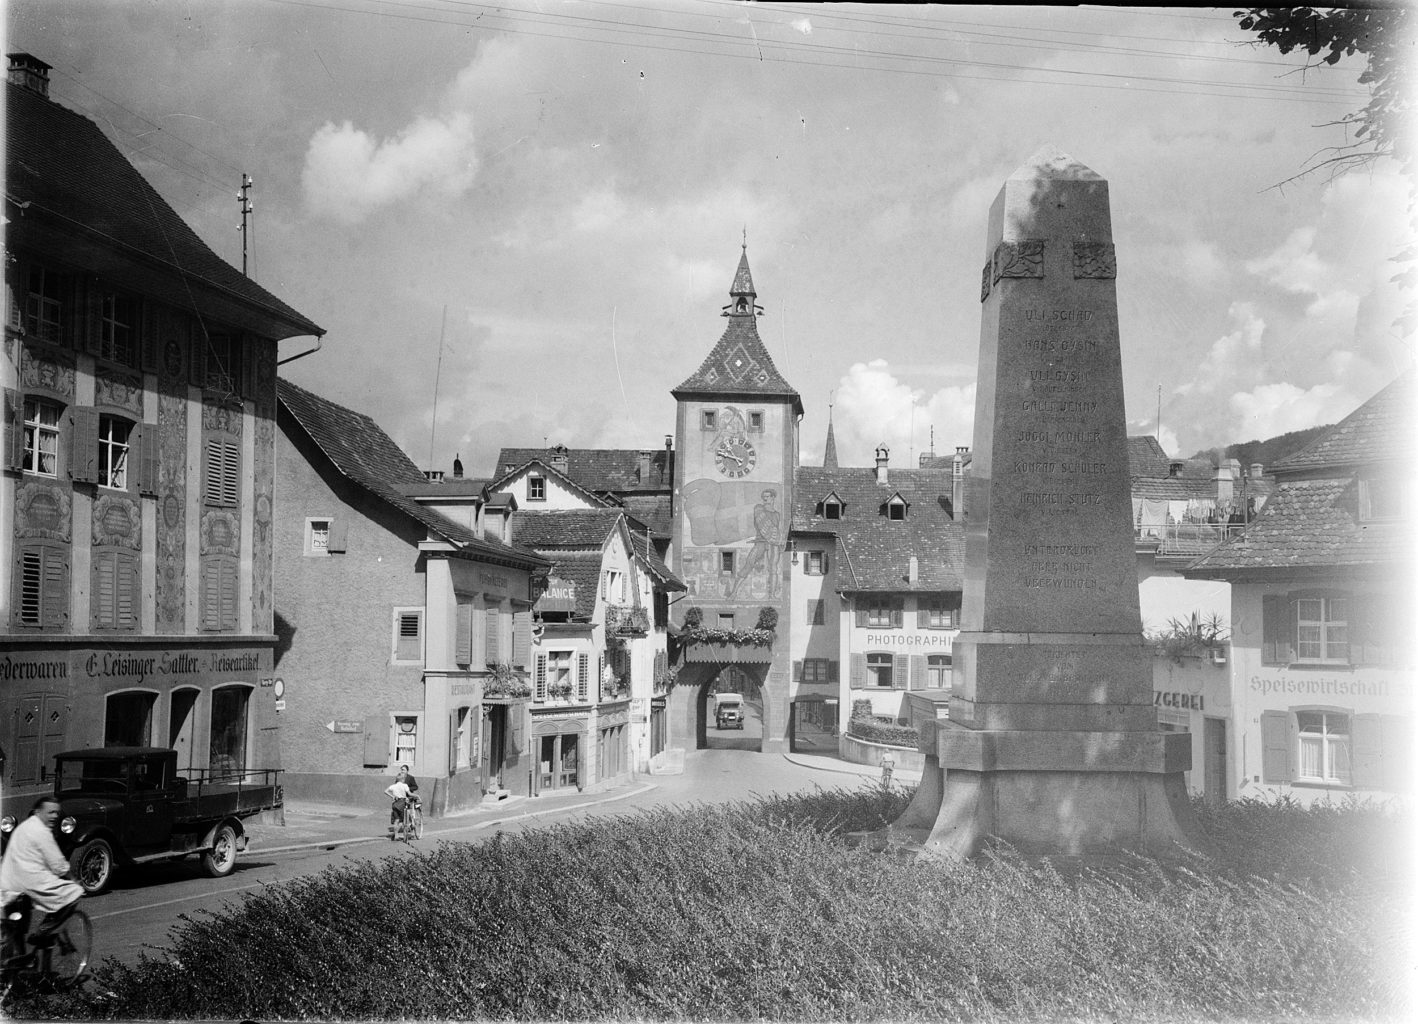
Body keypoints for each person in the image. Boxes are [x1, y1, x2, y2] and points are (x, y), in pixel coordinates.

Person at [0, 796, 84, 959]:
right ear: (38, 812)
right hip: (27, 883)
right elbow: (57, 863)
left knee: (16, 927)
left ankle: (17, 965)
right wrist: (72, 879)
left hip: (8, 883)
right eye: (50, 812)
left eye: (56, 813)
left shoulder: (23, 828)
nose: (54, 816)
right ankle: (44, 931)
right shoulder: (41, 831)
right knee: (74, 893)